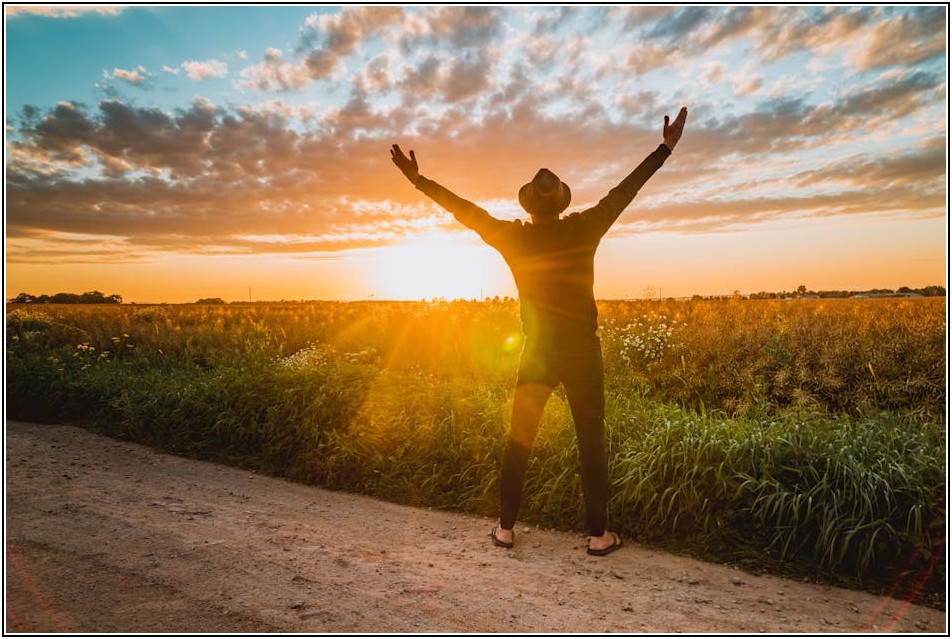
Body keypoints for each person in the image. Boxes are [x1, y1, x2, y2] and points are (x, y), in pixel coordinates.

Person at [390, 107, 688, 555]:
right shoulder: (586, 227)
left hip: (537, 351)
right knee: (591, 439)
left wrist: (419, 181)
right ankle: (598, 536)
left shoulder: (514, 238)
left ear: (528, 206)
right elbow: (626, 190)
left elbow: (465, 212)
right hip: (582, 351)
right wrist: (663, 149)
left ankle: (506, 529)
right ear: (562, 202)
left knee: (519, 439)